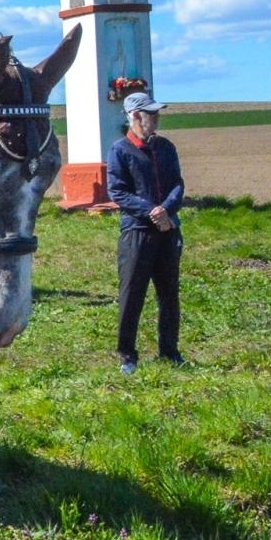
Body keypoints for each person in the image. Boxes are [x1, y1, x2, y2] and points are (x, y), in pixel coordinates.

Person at [106, 91, 186, 374]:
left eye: (157, 113)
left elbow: (178, 184)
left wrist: (166, 210)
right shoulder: (119, 150)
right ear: (136, 116)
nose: (157, 118)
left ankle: (170, 351)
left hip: (168, 231)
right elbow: (118, 191)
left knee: (169, 294)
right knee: (132, 294)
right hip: (137, 233)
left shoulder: (166, 147)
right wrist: (152, 211)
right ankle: (127, 355)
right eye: (152, 114)